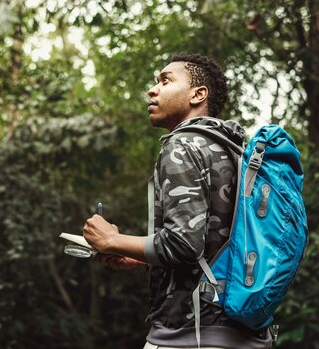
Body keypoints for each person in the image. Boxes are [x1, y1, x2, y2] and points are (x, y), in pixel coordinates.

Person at [82, 54, 272, 349]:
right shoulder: (237, 153)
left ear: (198, 95)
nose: (152, 90)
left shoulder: (182, 145)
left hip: (190, 335)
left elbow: (183, 245)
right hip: (243, 331)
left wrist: (111, 240)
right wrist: (138, 255)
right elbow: (213, 246)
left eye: (165, 80)